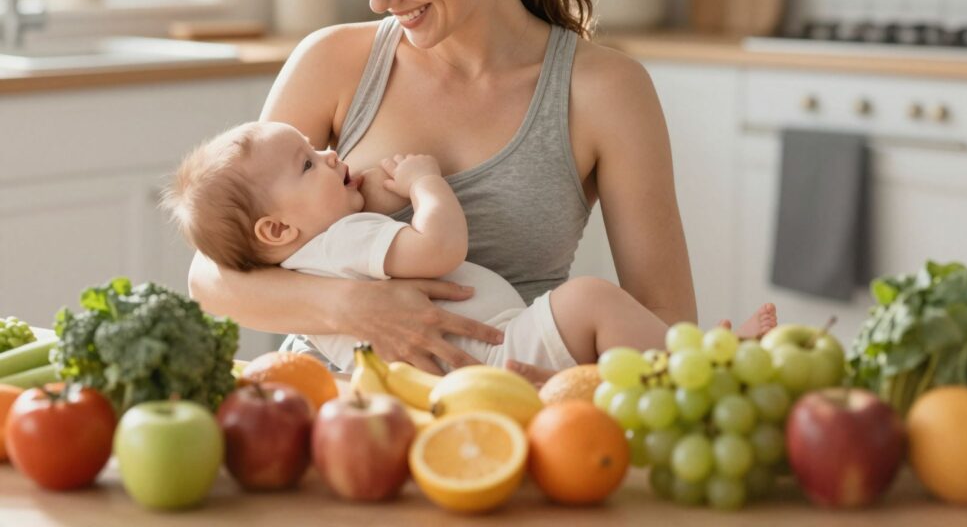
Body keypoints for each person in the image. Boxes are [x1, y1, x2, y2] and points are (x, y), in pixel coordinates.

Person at [187, 0, 774, 379]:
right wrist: (353, 308)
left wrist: (577, 387)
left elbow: (664, 317)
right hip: (328, 406)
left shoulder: (605, 91)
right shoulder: (333, 61)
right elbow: (213, 277)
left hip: (511, 402)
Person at [164, 120, 717, 373]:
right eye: (309, 163)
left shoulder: (309, 254)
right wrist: (426, 184)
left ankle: (687, 364)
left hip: (455, 377)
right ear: (278, 231)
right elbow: (438, 249)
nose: (333, 156)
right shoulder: (340, 243)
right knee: (593, 300)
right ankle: (705, 363)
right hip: (492, 355)